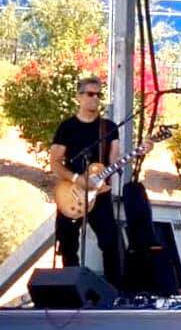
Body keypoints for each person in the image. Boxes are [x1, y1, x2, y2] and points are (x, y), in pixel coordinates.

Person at [50, 76, 124, 288]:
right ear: (78, 97)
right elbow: (55, 162)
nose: (95, 98)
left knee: (110, 242)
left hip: (99, 194)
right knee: (68, 243)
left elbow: (114, 160)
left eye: (98, 94)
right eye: (90, 94)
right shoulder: (67, 127)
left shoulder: (108, 127)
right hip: (71, 192)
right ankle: (71, 290)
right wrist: (76, 178)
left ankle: (114, 291)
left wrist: (139, 152)